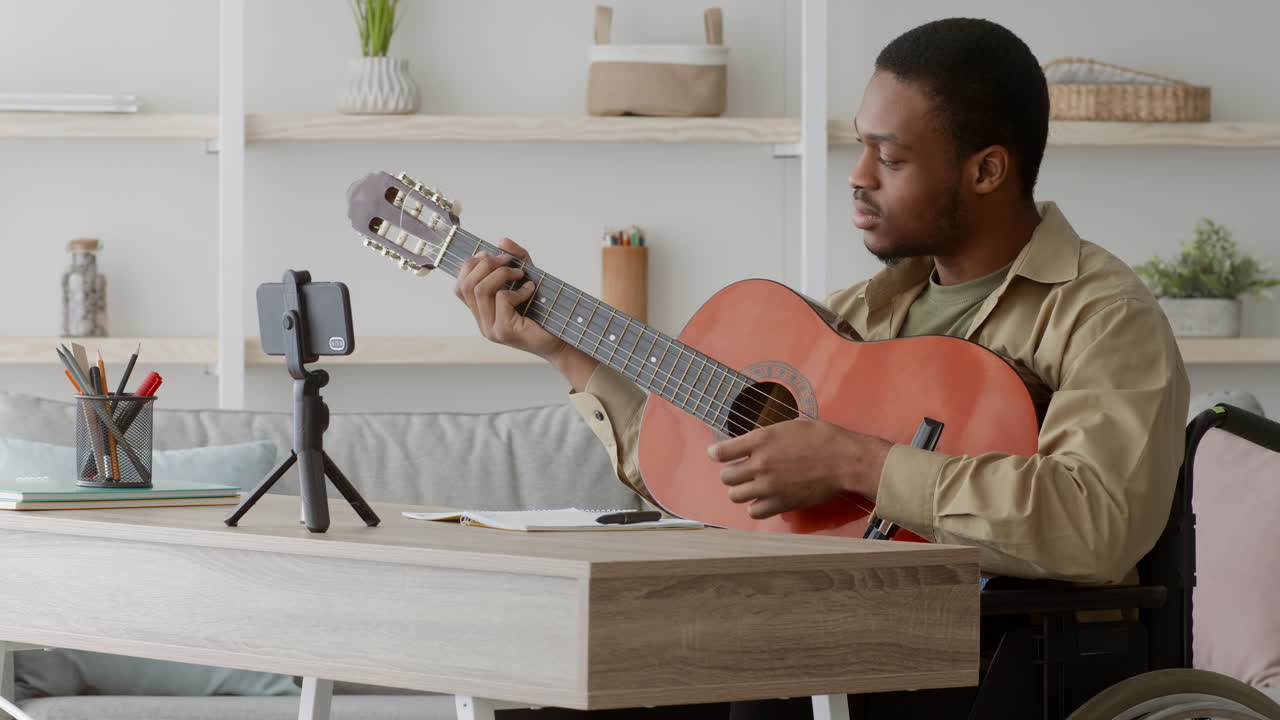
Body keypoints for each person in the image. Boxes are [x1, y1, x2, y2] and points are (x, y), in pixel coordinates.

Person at [453, 16, 1189, 720]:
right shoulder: (862, 314)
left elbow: (1098, 521)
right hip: (836, 637)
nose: (858, 176)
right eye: (861, 146)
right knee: (560, 703)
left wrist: (853, 460)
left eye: (891, 158)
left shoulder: (1104, 314)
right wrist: (564, 351)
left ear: (987, 169)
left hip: (1008, 651)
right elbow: (696, 470)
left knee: (762, 680)